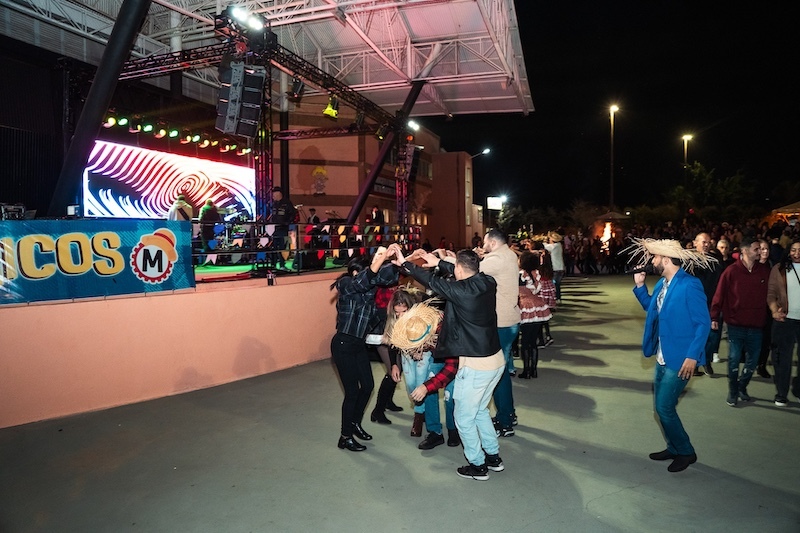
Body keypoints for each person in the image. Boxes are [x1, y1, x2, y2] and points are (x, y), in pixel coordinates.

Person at [390, 244, 506, 481]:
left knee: (463, 418)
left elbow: (432, 282)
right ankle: (493, 457)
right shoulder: (487, 282)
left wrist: (405, 264)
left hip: (475, 365)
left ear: (459, 270)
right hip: (496, 360)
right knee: (480, 411)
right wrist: (440, 263)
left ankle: (478, 465)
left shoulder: (460, 291)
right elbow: (463, 272)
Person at [629, 238, 712, 473]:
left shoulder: (690, 285)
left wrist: (693, 356)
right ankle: (673, 447)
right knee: (663, 408)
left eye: (655, 257)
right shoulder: (662, 284)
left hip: (681, 359)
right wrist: (640, 287)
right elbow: (652, 309)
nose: (652, 261)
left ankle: (686, 451)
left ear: (666, 260)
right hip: (662, 355)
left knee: (664, 408)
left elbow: (703, 323)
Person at [330, 249, 399, 452]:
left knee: (368, 386)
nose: (371, 280)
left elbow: (384, 278)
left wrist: (401, 261)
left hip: (359, 344)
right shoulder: (346, 284)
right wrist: (380, 258)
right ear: (354, 273)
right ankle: (345, 437)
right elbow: (363, 281)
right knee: (352, 392)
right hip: (343, 345)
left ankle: (354, 424)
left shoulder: (369, 293)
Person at [710, 236, 771, 407]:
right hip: (735, 324)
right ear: (744, 250)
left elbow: (773, 294)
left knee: (753, 361)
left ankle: (742, 386)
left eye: (760, 249)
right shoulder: (731, 271)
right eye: (756, 249)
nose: (759, 252)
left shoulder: (764, 271)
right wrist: (714, 316)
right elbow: (719, 294)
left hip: (757, 325)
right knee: (734, 358)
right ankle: (733, 391)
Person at [479, 229, 521, 436]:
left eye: (485, 242)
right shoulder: (508, 254)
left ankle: (505, 422)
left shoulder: (496, 259)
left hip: (501, 323)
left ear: (493, 243)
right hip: (510, 321)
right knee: (501, 372)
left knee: (498, 374)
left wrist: (442, 260)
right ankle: (508, 414)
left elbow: (468, 270)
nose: (483, 245)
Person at [767, 238, 800, 407]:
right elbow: (771, 293)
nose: (797, 253)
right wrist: (774, 310)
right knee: (781, 359)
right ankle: (781, 393)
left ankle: (798, 389)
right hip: (784, 320)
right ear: (788, 251)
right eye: (793, 250)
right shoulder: (779, 269)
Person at [689, 232, 723, 376]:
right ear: (695, 243)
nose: (707, 245)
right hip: (693, 304)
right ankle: (694, 363)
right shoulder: (689, 261)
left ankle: (706, 361)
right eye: (704, 242)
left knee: (712, 335)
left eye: (709, 242)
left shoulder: (716, 261)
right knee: (694, 335)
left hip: (712, 303)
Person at [518, 251, 553, 378]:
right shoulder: (536, 273)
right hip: (538, 306)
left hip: (525, 307)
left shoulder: (521, 275)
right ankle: (533, 370)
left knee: (525, 342)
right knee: (533, 342)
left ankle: (526, 371)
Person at [269, 187, 297, 270]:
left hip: (283, 228)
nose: (273, 196)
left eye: (274, 194)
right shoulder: (274, 204)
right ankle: (274, 265)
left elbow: (293, 214)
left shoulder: (287, 203)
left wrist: (287, 222)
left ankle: (282, 264)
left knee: (282, 247)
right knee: (274, 247)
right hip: (274, 228)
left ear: (278, 194)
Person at [544, 231, 565, 301]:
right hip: (560, 267)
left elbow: (545, 246)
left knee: (554, 284)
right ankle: (558, 297)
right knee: (557, 284)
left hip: (555, 268)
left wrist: (544, 241)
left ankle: (555, 297)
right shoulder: (559, 245)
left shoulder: (554, 246)